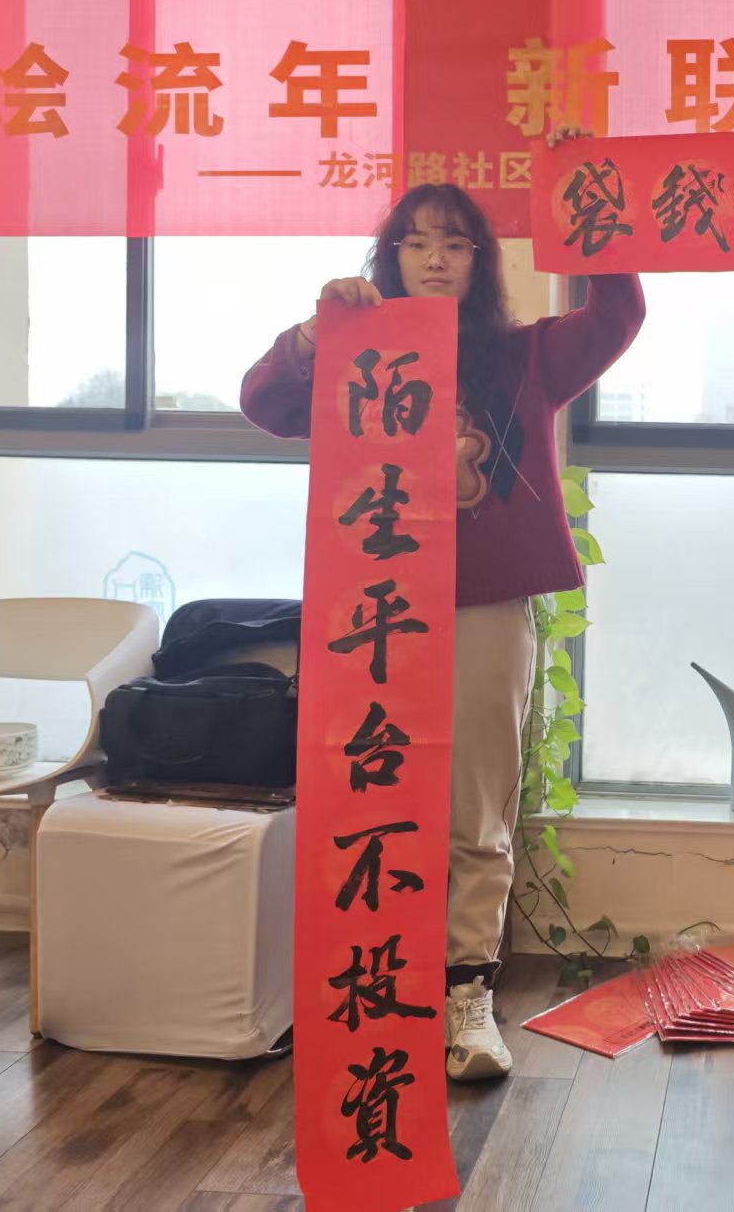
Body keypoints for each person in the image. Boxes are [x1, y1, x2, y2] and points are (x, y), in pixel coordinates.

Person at [240, 129, 645, 1081]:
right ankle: (377, 985)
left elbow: (619, 312)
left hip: (484, 602)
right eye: (416, 241)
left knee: (476, 802)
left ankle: (467, 997)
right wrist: (312, 335)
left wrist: (588, 197)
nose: (435, 257)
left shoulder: (526, 357)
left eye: (455, 242)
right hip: (373, 607)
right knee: (374, 794)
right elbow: (263, 401)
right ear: (389, 256)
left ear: (480, 261)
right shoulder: (357, 348)